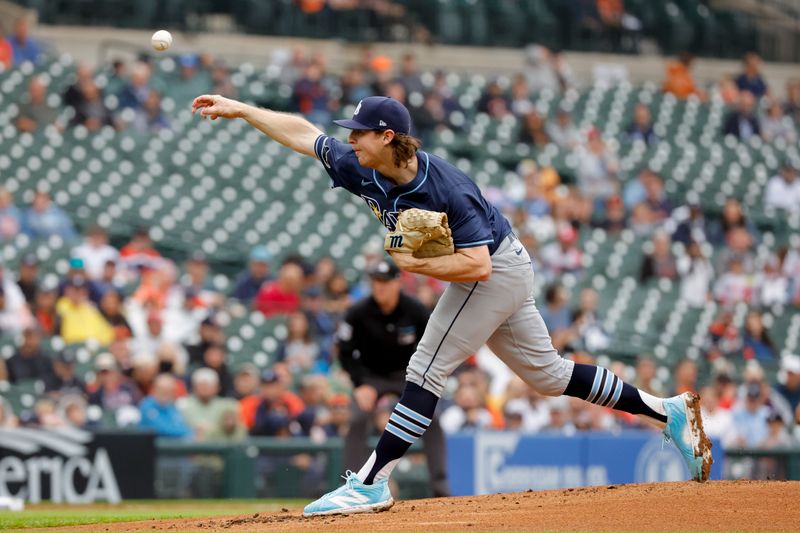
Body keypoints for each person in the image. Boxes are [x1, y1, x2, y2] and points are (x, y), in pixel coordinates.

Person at [191, 92, 713, 517]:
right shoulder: (361, 164)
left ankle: (372, 482)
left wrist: (419, 268)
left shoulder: (447, 189)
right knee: (550, 376)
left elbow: (476, 266)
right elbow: (307, 136)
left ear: (387, 137)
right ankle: (665, 411)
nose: (350, 138)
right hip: (500, 268)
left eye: (360, 131)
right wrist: (242, 110)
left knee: (426, 365)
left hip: (494, 269)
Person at [338, 259, 449, 497]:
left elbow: (433, 345)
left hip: (407, 375)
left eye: (385, 282)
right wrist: (359, 384)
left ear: (397, 283)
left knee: (432, 419)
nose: (380, 287)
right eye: (376, 282)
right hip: (371, 377)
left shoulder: (416, 310)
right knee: (358, 418)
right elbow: (345, 351)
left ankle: (440, 487)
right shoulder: (357, 313)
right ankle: (351, 488)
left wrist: (425, 378)